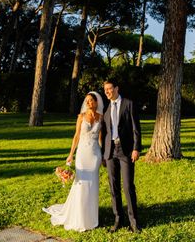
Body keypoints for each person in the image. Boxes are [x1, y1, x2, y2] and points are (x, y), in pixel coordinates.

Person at [43, 91, 104, 232]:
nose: (88, 102)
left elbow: (101, 138)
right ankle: (79, 217)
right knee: (81, 184)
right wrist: (71, 154)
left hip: (95, 155)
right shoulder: (81, 117)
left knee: (93, 185)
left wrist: (103, 154)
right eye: (87, 100)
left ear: (96, 102)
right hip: (82, 154)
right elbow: (76, 136)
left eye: (91, 100)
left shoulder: (101, 118)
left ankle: (91, 217)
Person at [102, 79, 142, 233]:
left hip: (125, 150)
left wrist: (136, 148)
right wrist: (104, 154)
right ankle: (118, 219)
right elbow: (105, 133)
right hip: (110, 152)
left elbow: (135, 128)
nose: (107, 92)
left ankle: (134, 222)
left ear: (116, 88)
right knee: (114, 187)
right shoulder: (107, 109)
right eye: (105, 90)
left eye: (109, 89)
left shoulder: (128, 103)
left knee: (128, 186)